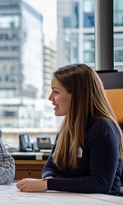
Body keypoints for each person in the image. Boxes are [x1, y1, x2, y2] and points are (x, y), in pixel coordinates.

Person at [16, 63, 123, 195]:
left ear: (78, 95)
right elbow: (50, 166)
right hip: (72, 200)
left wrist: (48, 184)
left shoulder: (103, 128)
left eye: (55, 91)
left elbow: (100, 183)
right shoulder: (67, 128)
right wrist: (49, 178)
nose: (50, 98)